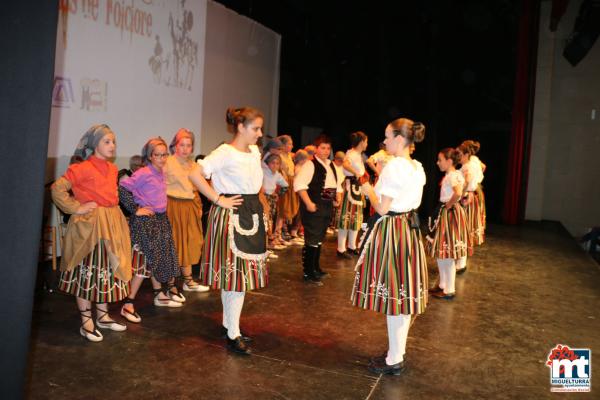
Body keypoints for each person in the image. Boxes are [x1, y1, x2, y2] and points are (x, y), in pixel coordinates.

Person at [352, 117, 428, 375]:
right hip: (407, 230)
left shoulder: (395, 167)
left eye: (387, 136)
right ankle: (396, 353)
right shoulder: (416, 166)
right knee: (401, 296)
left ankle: (394, 359)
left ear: (399, 138)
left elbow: (382, 207)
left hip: (392, 231)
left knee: (396, 297)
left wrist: (365, 187)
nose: (383, 141)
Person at [197, 107, 267, 355]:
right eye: (255, 128)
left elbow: (254, 185)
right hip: (230, 215)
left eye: (260, 128)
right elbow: (195, 173)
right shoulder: (225, 153)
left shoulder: (254, 152)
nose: (259, 133)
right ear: (241, 127)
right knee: (236, 276)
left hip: (249, 212)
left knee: (237, 276)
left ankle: (230, 325)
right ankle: (233, 333)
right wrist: (218, 199)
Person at [51, 124, 131, 342]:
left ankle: (103, 316)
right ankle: (86, 319)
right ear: (95, 144)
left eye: (113, 141)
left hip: (111, 223)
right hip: (89, 226)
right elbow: (57, 189)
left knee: (104, 269)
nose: (112, 145)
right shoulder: (82, 168)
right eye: (107, 141)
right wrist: (76, 207)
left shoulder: (113, 169)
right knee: (86, 270)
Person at [119, 138, 184, 323]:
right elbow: (122, 188)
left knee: (156, 259)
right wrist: (135, 209)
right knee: (143, 265)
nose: (162, 158)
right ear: (149, 156)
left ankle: (159, 294)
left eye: (165, 154)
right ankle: (128, 304)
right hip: (145, 223)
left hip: (160, 220)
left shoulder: (160, 172)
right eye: (158, 155)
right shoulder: (143, 173)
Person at [164, 129, 210, 292]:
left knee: (190, 242)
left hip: (190, 206)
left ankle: (188, 281)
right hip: (172, 207)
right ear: (175, 146)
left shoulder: (195, 166)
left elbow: (199, 188)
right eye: (181, 145)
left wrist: (197, 207)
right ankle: (170, 284)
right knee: (174, 244)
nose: (185, 148)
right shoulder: (167, 162)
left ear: (192, 148)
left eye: (188, 145)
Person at [294, 135, 342, 285]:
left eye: (328, 148)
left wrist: (336, 198)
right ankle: (308, 272)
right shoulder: (310, 164)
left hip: (325, 206)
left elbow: (333, 185)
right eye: (323, 147)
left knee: (319, 238)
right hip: (313, 206)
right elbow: (299, 185)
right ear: (316, 148)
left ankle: (315, 268)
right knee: (312, 239)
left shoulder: (331, 164)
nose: (326, 151)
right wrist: (308, 203)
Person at [427, 148, 469, 300]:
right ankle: (443, 285)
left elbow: (458, 192)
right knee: (442, 251)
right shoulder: (455, 174)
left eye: (440, 160)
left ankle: (449, 289)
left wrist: (449, 205)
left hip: (449, 214)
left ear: (449, 161)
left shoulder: (452, 176)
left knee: (447, 253)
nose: (438, 163)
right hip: (449, 212)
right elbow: (462, 191)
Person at [456, 140, 486, 274]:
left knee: (463, 228)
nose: (458, 157)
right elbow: (483, 166)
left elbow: (467, 181)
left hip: (468, 197)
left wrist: (462, 194)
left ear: (467, 154)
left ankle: (461, 262)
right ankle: (462, 259)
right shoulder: (474, 160)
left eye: (459, 154)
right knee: (465, 227)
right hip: (475, 195)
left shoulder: (468, 166)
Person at [337, 131, 368, 258]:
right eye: (366, 141)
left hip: (357, 189)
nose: (367, 144)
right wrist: (356, 173)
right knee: (347, 217)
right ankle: (341, 248)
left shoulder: (358, 155)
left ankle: (351, 246)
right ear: (361, 142)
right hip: (351, 188)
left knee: (355, 218)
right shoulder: (352, 153)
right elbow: (345, 164)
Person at [262, 153, 289, 252]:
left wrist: (278, 193)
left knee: (270, 221)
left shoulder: (277, 175)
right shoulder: (263, 172)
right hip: (263, 198)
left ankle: (268, 244)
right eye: (272, 163)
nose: (275, 165)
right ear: (268, 164)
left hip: (272, 199)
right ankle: (264, 245)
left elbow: (286, 186)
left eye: (277, 163)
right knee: (263, 221)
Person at [275, 135, 299, 243]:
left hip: (290, 182)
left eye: (292, 143)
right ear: (283, 145)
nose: (292, 146)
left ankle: (279, 235)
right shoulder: (279, 156)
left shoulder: (289, 156)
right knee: (280, 210)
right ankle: (276, 235)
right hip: (282, 184)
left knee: (285, 211)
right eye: (289, 144)